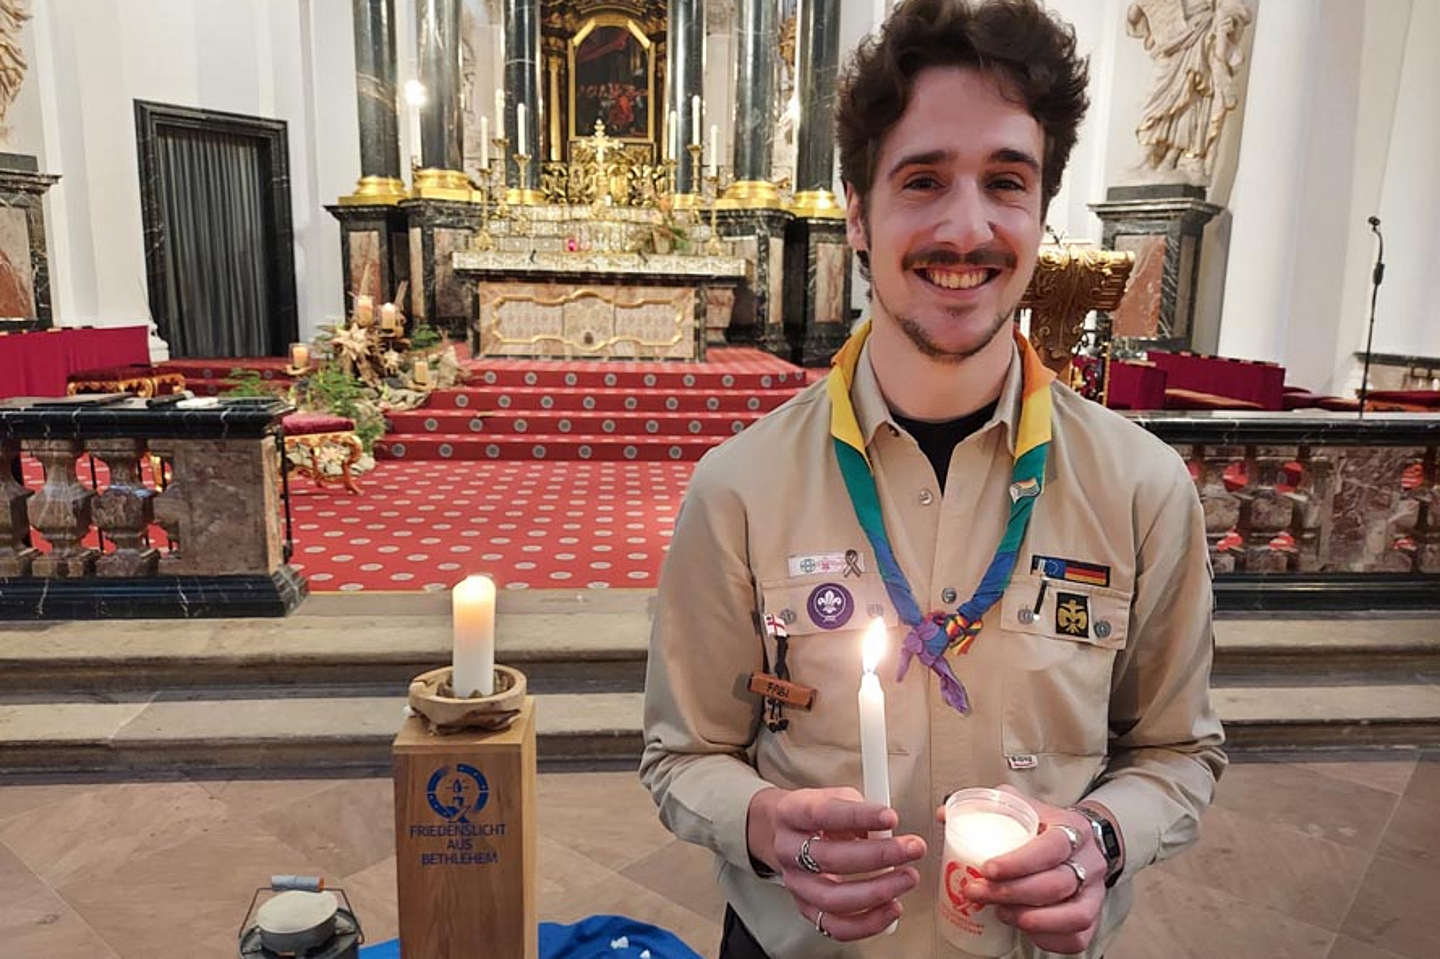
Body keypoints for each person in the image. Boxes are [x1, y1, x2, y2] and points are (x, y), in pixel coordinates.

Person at [640, 1, 1226, 957]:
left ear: (1040, 214)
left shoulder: (1142, 488)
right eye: (922, 181)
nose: (967, 228)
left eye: (1006, 181)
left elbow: (1177, 750)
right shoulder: (740, 488)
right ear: (859, 215)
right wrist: (760, 823)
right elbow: (683, 756)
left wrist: (1105, 839)